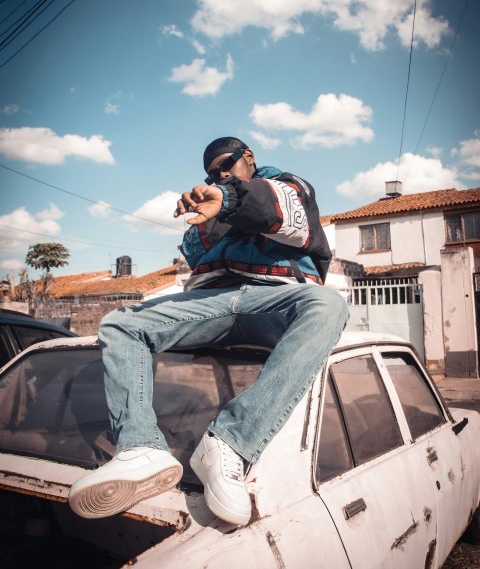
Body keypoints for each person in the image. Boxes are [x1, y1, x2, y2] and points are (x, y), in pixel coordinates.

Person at [68, 137, 349, 525]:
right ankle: (139, 448)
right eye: (211, 172)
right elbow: (199, 253)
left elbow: (272, 206)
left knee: (329, 305)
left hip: (273, 299)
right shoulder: (208, 211)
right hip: (213, 303)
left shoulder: (287, 187)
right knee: (120, 323)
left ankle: (229, 443)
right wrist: (211, 212)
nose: (218, 174)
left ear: (248, 157)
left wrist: (228, 199)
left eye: (226, 164)